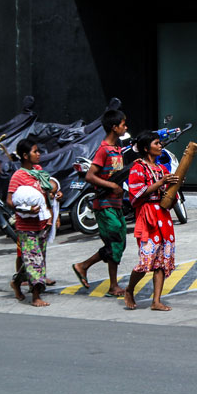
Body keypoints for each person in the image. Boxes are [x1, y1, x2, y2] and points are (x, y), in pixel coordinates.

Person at [72, 109, 128, 297]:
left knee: (118, 244)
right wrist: (111, 185)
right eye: (123, 124)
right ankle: (85, 267)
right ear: (114, 127)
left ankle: (107, 281)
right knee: (115, 243)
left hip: (116, 204)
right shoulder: (103, 150)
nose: (125, 127)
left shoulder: (118, 148)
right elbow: (90, 176)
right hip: (104, 205)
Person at [123, 130, 180, 310]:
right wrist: (161, 182)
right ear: (147, 148)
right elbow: (137, 193)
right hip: (148, 216)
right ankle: (129, 289)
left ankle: (156, 301)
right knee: (146, 261)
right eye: (156, 143)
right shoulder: (137, 168)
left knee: (162, 261)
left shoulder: (162, 168)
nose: (160, 146)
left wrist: (174, 185)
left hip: (163, 216)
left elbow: (171, 196)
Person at [7, 139, 62, 307]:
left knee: (34, 259)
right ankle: (36, 296)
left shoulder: (39, 171)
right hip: (26, 226)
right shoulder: (18, 176)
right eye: (35, 151)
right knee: (35, 261)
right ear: (25, 155)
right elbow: (9, 201)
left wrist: (56, 196)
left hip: (42, 223)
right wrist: (26, 208)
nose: (38, 154)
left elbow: (46, 192)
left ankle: (16, 282)